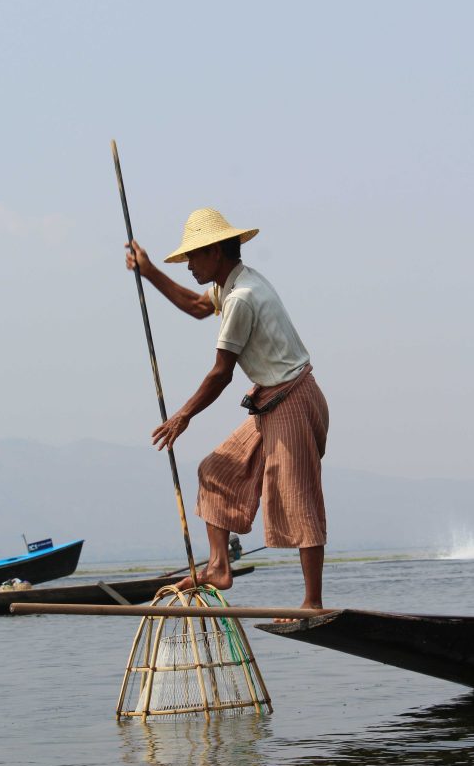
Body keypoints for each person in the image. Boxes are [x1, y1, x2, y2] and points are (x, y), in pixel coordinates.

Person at [125, 207, 329, 612]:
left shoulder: (243, 297)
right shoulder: (231, 285)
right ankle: (219, 567)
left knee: (296, 496)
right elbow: (198, 306)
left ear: (216, 252)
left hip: (293, 401)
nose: (188, 266)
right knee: (216, 471)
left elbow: (221, 374)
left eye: (194, 257)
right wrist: (148, 272)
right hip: (271, 402)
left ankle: (312, 602)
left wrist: (183, 415)